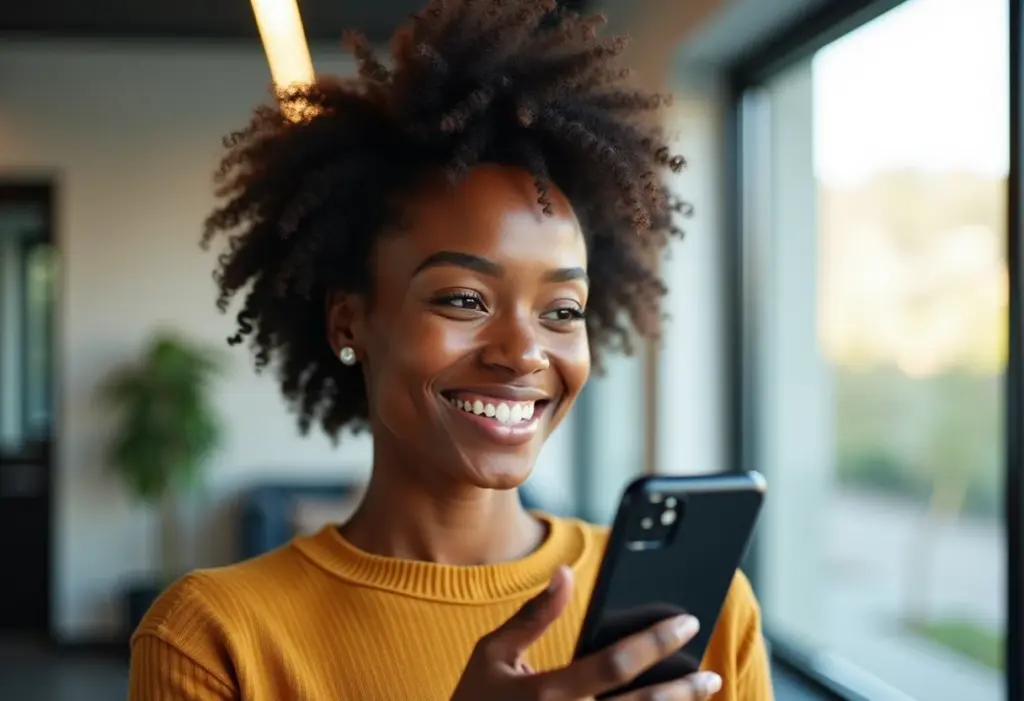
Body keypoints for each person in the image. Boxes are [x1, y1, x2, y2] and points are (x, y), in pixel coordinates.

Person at [128, 1, 773, 699]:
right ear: (350, 321)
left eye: (563, 310)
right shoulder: (209, 638)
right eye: (464, 299)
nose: (524, 351)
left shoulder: (696, 621)